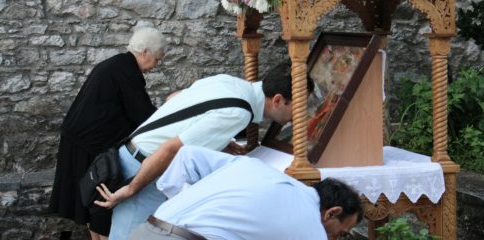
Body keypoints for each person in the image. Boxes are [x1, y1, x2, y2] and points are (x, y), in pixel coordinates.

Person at [94, 63, 315, 240]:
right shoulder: (238, 114)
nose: (299, 116)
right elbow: (171, 149)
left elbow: (175, 98)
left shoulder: (230, 82)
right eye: (298, 107)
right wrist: (131, 189)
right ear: (278, 100)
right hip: (147, 168)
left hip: (136, 154)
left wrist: (221, 140)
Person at [48, 27, 167, 240]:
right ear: (145, 52)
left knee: (94, 203)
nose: (156, 65)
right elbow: (144, 115)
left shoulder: (118, 64)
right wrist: (171, 121)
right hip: (87, 144)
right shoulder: (127, 72)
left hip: (80, 140)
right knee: (102, 202)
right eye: (157, 59)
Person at [128, 146, 363, 240]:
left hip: (145, 229)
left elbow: (188, 154)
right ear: (332, 212)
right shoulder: (311, 227)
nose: (335, 238)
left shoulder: (255, 167)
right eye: (341, 234)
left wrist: (182, 201)